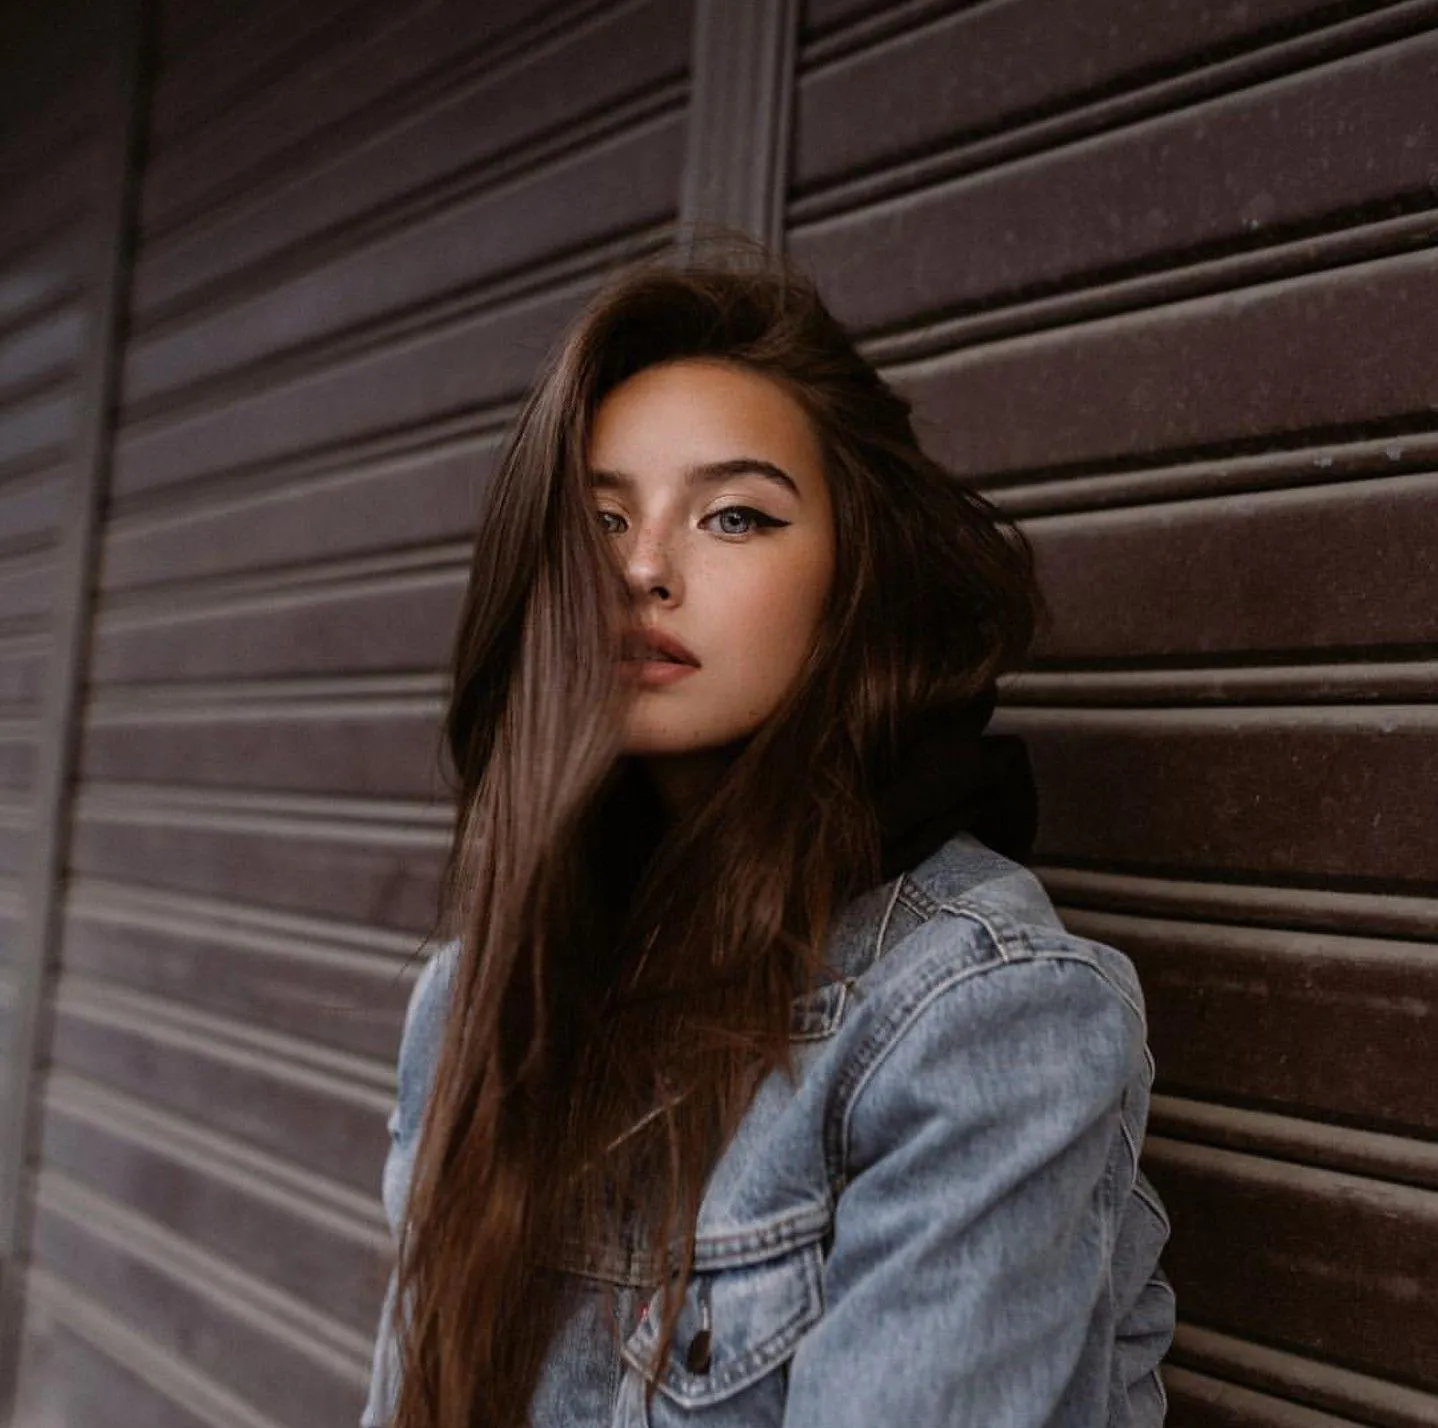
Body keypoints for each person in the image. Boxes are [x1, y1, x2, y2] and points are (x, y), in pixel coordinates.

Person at [360, 237, 1175, 1428]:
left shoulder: (975, 1014)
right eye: (597, 520)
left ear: (859, 577)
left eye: (734, 517)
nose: (642, 568)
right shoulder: (479, 994)